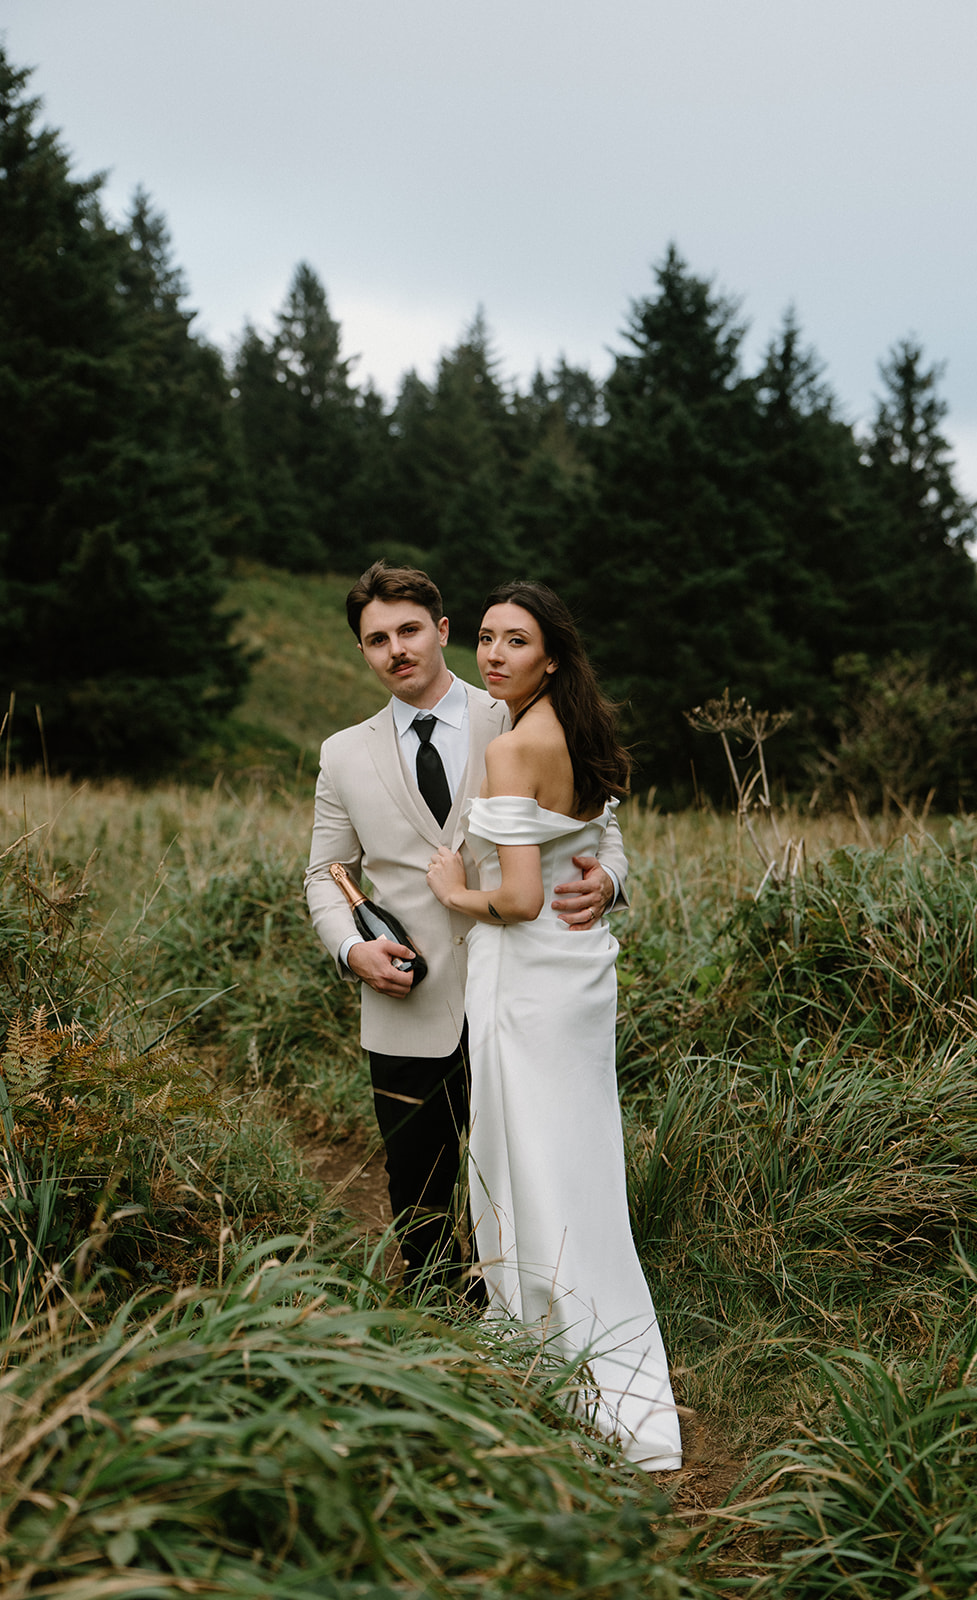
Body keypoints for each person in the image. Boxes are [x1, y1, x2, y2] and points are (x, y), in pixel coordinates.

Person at [304, 560, 628, 1288]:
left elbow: (597, 822)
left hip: (513, 994)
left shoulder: (514, 708)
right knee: (416, 1184)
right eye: (377, 638)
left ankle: (530, 1307)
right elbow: (321, 873)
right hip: (406, 1003)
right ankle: (435, 1329)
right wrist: (353, 949)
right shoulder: (341, 754)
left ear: (442, 630)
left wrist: (609, 880)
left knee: (522, 1169)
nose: (397, 649)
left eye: (410, 630)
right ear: (362, 651)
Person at [425, 580, 683, 1472]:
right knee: (574, 1151)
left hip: (528, 974)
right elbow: (598, 840)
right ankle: (575, 1324)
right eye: (487, 638)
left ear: (552, 657)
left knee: (520, 1150)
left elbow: (521, 896)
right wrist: (606, 881)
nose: (493, 654)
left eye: (514, 642)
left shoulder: (510, 749)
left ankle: (546, 1341)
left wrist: (457, 891)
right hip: (580, 977)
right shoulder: (579, 731)